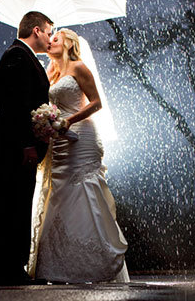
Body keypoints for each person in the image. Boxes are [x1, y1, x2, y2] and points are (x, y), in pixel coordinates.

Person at [28, 28, 129, 283]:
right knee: (57, 195)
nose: (50, 42)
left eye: (55, 39)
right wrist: (47, 122)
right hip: (58, 141)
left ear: (69, 44)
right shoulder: (51, 72)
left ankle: (95, 261)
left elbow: (96, 103)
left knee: (83, 192)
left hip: (81, 137)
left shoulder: (79, 67)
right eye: (49, 39)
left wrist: (68, 121)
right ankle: (58, 265)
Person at [0, 10, 53, 286]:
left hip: (18, 146)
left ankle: (14, 269)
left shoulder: (23, 57)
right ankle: (9, 271)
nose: (50, 38)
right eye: (49, 32)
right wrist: (27, 144)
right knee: (11, 204)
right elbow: (15, 106)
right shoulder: (17, 56)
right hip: (15, 147)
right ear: (36, 30)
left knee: (19, 203)